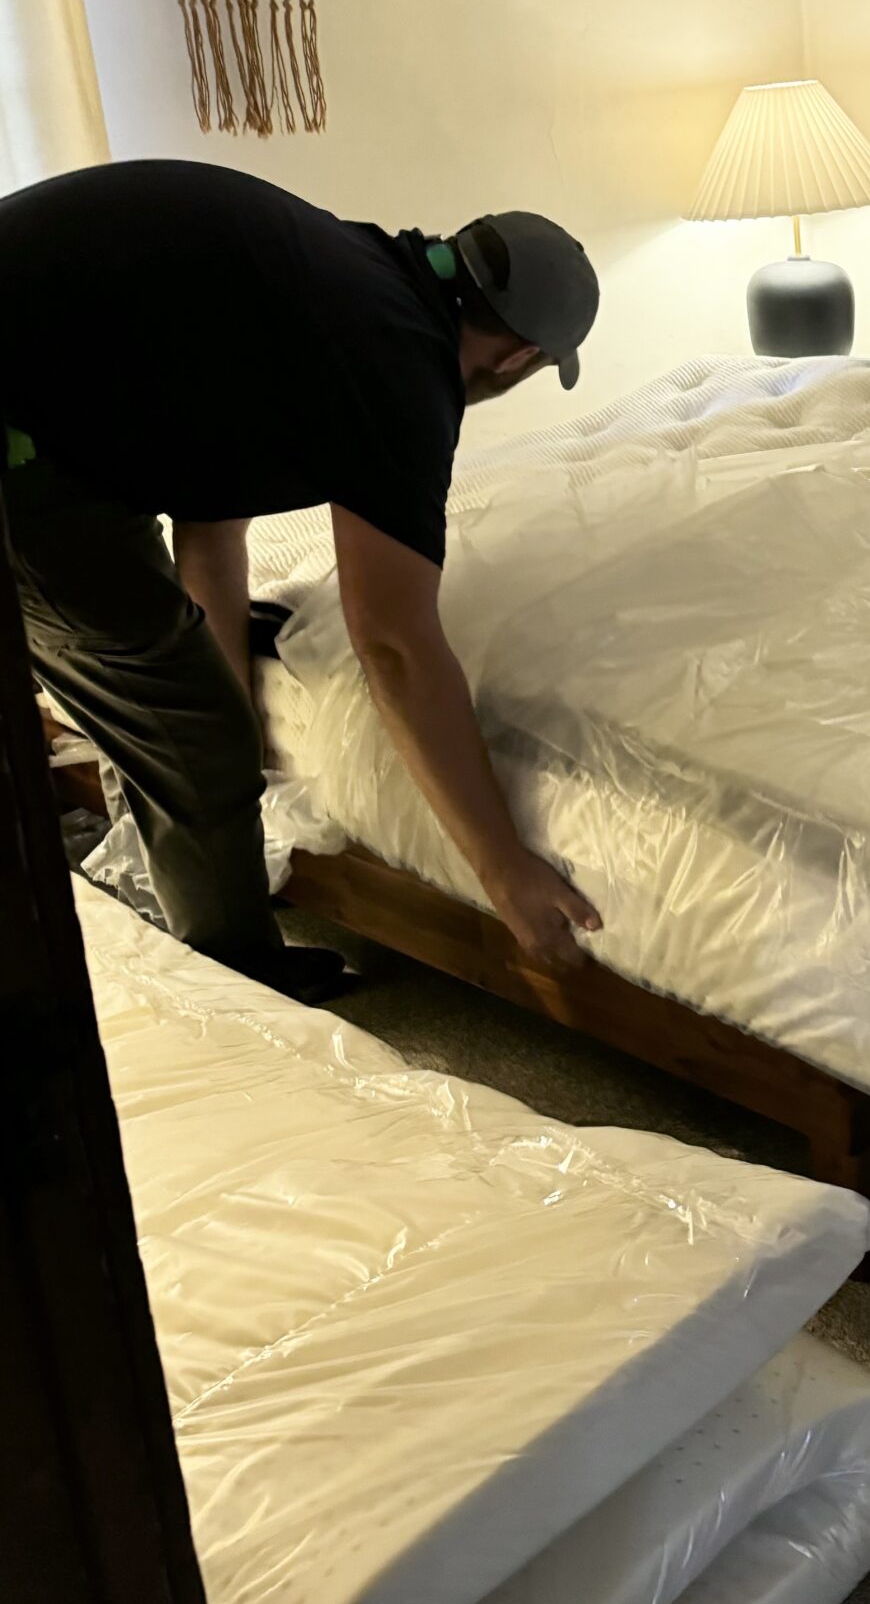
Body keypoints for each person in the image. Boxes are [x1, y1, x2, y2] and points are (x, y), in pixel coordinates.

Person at [0, 158, 603, 999]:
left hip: (57, 418)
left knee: (194, 706)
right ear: (522, 357)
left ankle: (190, 904)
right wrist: (504, 870)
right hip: (23, 448)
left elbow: (211, 515)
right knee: (183, 725)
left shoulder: (356, 277)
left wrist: (234, 700)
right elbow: (392, 642)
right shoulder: (399, 372)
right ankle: (242, 995)